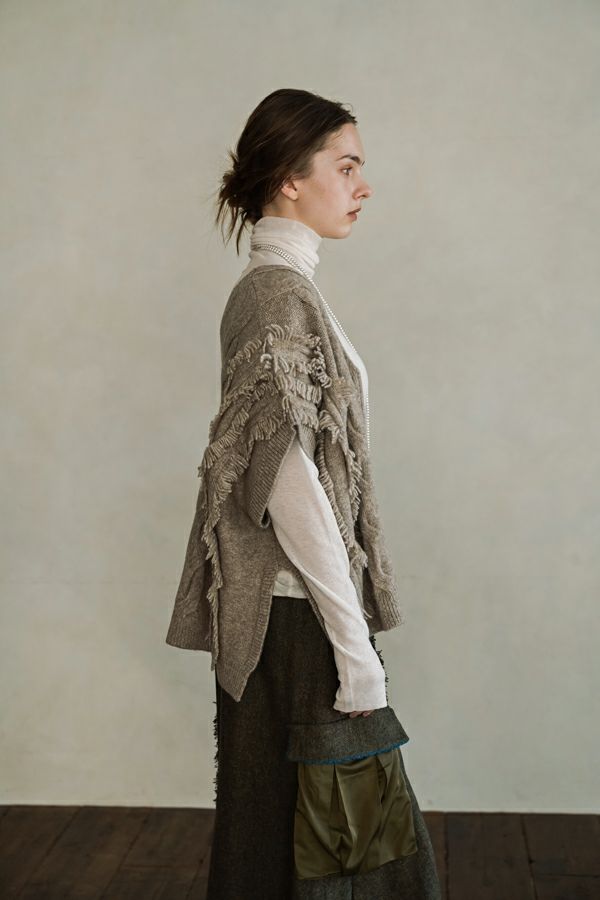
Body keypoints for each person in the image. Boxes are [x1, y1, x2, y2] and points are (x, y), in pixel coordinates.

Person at [165, 88, 442, 900]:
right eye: (346, 167)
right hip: (295, 617)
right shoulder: (276, 296)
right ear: (290, 177)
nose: (363, 186)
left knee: (283, 842)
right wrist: (353, 649)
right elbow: (289, 482)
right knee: (350, 857)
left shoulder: (284, 288)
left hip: (288, 612)